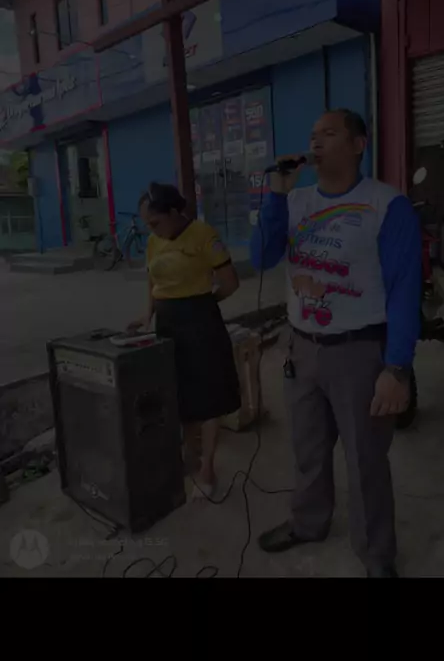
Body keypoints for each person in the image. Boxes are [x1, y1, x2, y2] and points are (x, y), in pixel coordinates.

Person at [250, 109, 422, 578]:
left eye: (329, 133)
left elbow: (405, 289)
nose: (316, 141)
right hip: (302, 346)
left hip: (359, 351)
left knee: (365, 460)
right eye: (313, 134)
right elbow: (260, 257)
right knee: (307, 449)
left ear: (358, 145)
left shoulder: (385, 205)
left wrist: (397, 367)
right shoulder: (296, 201)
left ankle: (376, 555)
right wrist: (277, 196)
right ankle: (309, 523)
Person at [128, 182, 241, 498]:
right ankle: (189, 454)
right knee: (178, 391)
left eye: (155, 222)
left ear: (174, 212)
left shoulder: (204, 235)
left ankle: (208, 467)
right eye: (148, 225)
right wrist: (148, 313)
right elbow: (152, 279)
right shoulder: (154, 241)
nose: (152, 230)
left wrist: (203, 305)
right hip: (167, 323)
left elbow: (230, 283)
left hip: (201, 324)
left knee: (208, 395)